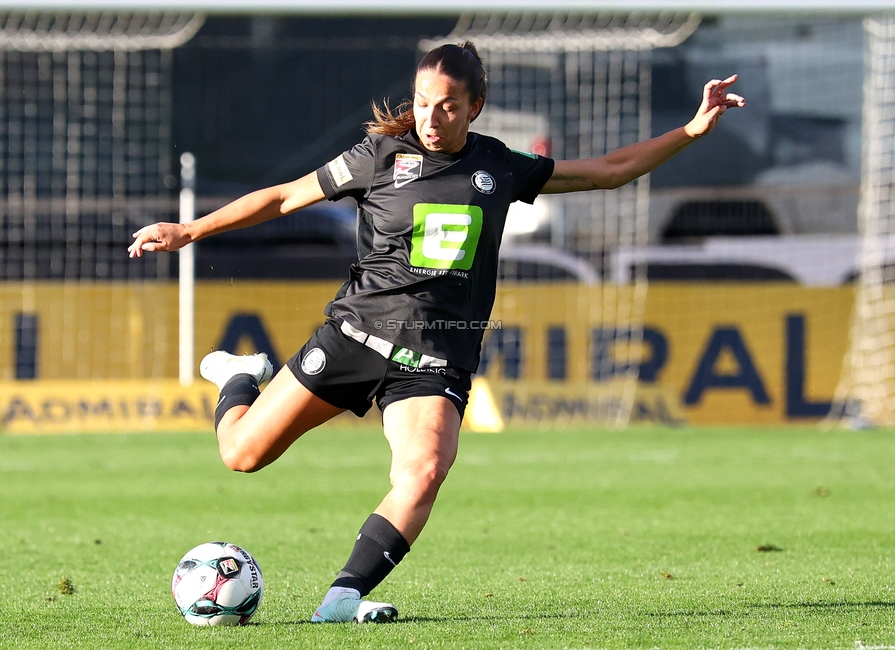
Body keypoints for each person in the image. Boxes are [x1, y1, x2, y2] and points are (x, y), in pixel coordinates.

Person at [129, 41, 744, 624]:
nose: (431, 116)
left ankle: (344, 595)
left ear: (474, 108)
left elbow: (608, 171)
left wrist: (691, 130)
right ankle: (241, 377)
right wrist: (190, 230)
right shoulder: (377, 159)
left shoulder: (498, 166)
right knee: (240, 456)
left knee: (424, 471)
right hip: (354, 337)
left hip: (434, 359)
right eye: (423, 102)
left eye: (447, 106)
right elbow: (285, 198)